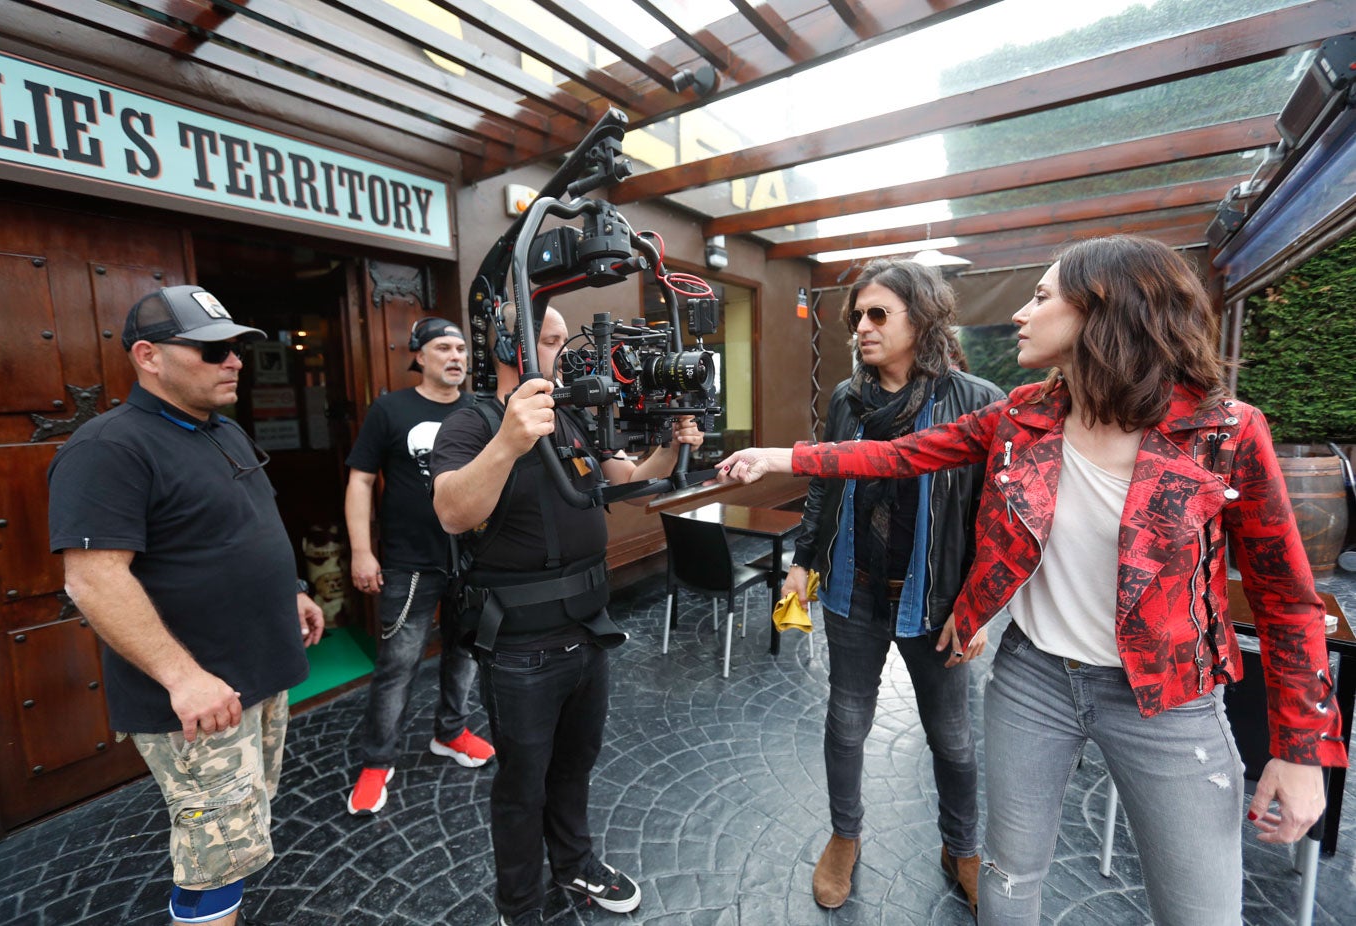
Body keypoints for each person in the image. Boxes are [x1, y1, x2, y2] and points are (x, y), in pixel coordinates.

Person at [715, 235, 1347, 926]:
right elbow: (900, 456)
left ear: (1102, 312)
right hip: (1034, 678)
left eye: (1041, 297)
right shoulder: (1025, 414)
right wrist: (782, 455)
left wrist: (1299, 749)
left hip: (1167, 697)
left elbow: (1286, 597)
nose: (1020, 313)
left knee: (1198, 909)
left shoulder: (1222, 431)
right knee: (1009, 883)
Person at [48, 285, 325, 926]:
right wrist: (184, 677)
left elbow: (240, 524)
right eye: (213, 350)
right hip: (199, 699)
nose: (234, 361)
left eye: (235, 349)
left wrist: (292, 590)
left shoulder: (221, 429)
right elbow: (93, 582)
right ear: (148, 356)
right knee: (214, 858)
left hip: (255, 677)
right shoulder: (107, 448)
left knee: (242, 827)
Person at [430, 305, 702, 926]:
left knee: (575, 766)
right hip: (521, 647)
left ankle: (575, 862)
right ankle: (519, 906)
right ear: (509, 343)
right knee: (523, 785)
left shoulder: (573, 418)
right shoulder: (474, 422)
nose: (566, 350)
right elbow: (451, 511)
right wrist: (509, 439)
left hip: (588, 631)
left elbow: (627, 483)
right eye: (551, 339)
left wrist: (668, 446)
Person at [787, 259, 1003, 913]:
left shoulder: (976, 400)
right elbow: (825, 480)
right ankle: (844, 839)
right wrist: (803, 559)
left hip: (936, 599)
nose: (861, 326)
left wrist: (979, 605)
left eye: (878, 314)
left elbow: (994, 515)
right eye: (856, 315)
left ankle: (960, 847)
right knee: (845, 725)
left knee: (953, 740)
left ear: (922, 319)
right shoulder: (847, 401)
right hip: (852, 588)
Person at [344, 316, 494, 816]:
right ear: (420, 356)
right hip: (409, 560)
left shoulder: (479, 409)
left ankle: (451, 732)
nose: (456, 357)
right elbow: (361, 481)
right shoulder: (391, 409)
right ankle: (376, 760)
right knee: (398, 665)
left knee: (463, 654)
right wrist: (363, 551)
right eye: (444, 348)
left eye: (462, 349)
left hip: (470, 558)